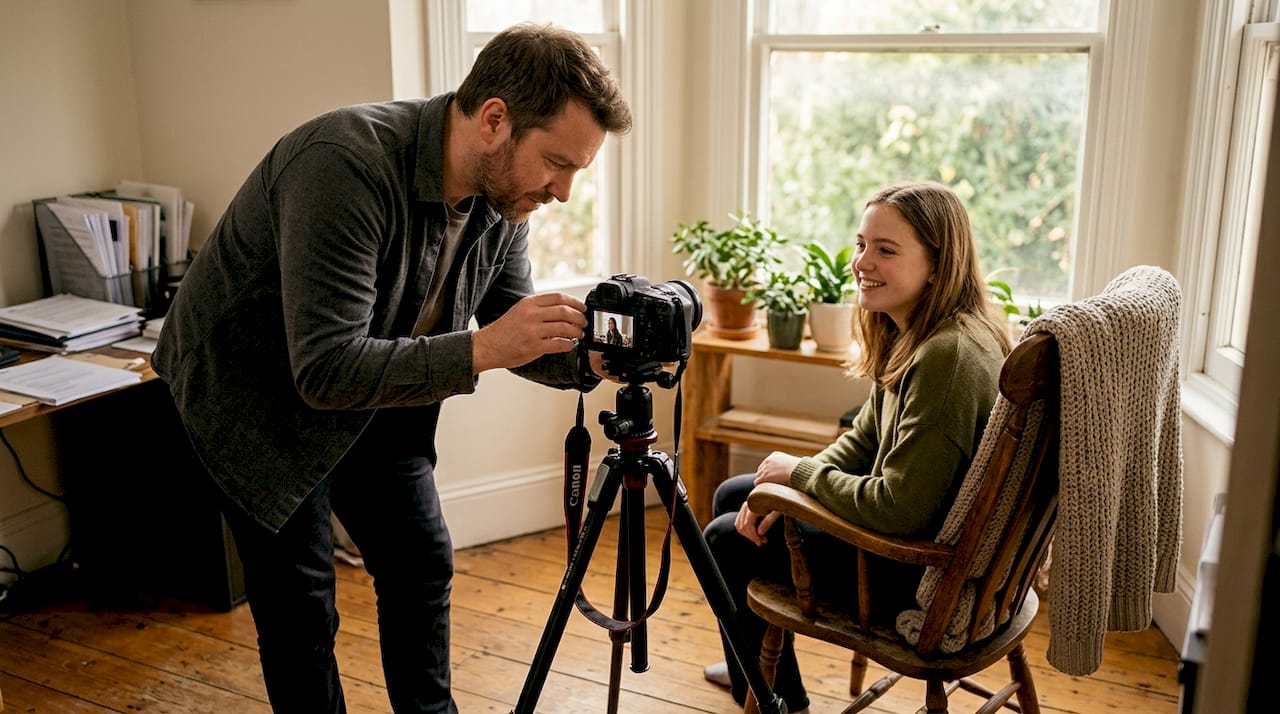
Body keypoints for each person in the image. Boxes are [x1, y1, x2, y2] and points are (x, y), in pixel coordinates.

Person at [151, 23, 630, 714]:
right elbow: (324, 369)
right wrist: (486, 348)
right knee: (302, 604)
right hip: (255, 398)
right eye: (558, 163)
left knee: (419, 562)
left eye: (576, 172)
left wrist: (590, 359)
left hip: (380, 388)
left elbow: (510, 324)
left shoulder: (503, 202)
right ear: (495, 119)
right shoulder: (343, 164)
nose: (562, 192)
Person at [700, 181, 1013, 712]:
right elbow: (865, 439)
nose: (863, 261)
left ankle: (764, 688)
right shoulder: (918, 331)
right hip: (916, 543)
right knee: (739, 491)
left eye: (886, 250)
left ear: (938, 266)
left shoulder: (947, 359)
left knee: (724, 539)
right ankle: (766, 673)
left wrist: (797, 478)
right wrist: (786, 482)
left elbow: (901, 508)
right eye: (862, 243)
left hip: (916, 573)